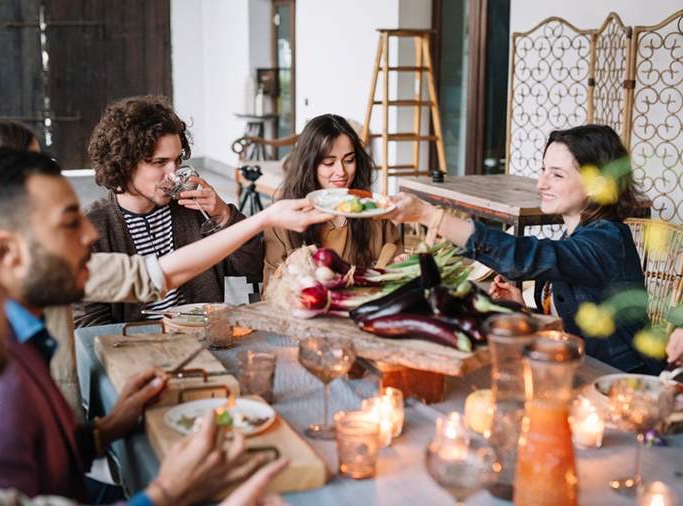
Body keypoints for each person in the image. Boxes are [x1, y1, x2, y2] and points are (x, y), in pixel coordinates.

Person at [0, 148, 309, 502]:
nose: (90, 234)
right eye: (68, 223)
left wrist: (106, 429)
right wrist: (165, 493)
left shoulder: (22, 341)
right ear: (5, 254)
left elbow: (51, 477)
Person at [387, 124, 662, 374]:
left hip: (621, 382)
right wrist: (524, 310)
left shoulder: (607, 241)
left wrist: (428, 215)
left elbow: (522, 256)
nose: (541, 183)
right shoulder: (577, 234)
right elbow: (570, 320)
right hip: (576, 368)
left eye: (557, 175)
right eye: (543, 170)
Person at [75, 95, 263, 327]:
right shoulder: (92, 228)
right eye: (159, 162)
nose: (174, 175)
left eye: (177, 160)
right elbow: (90, 324)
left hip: (203, 335)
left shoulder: (191, 208)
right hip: (136, 348)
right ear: (123, 163)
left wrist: (224, 215)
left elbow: (252, 269)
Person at [263, 113, 404, 284]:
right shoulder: (283, 218)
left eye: (349, 160)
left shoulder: (373, 211)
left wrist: (402, 266)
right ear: (309, 165)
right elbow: (269, 293)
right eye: (329, 163)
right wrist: (288, 269)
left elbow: (394, 266)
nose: (341, 172)